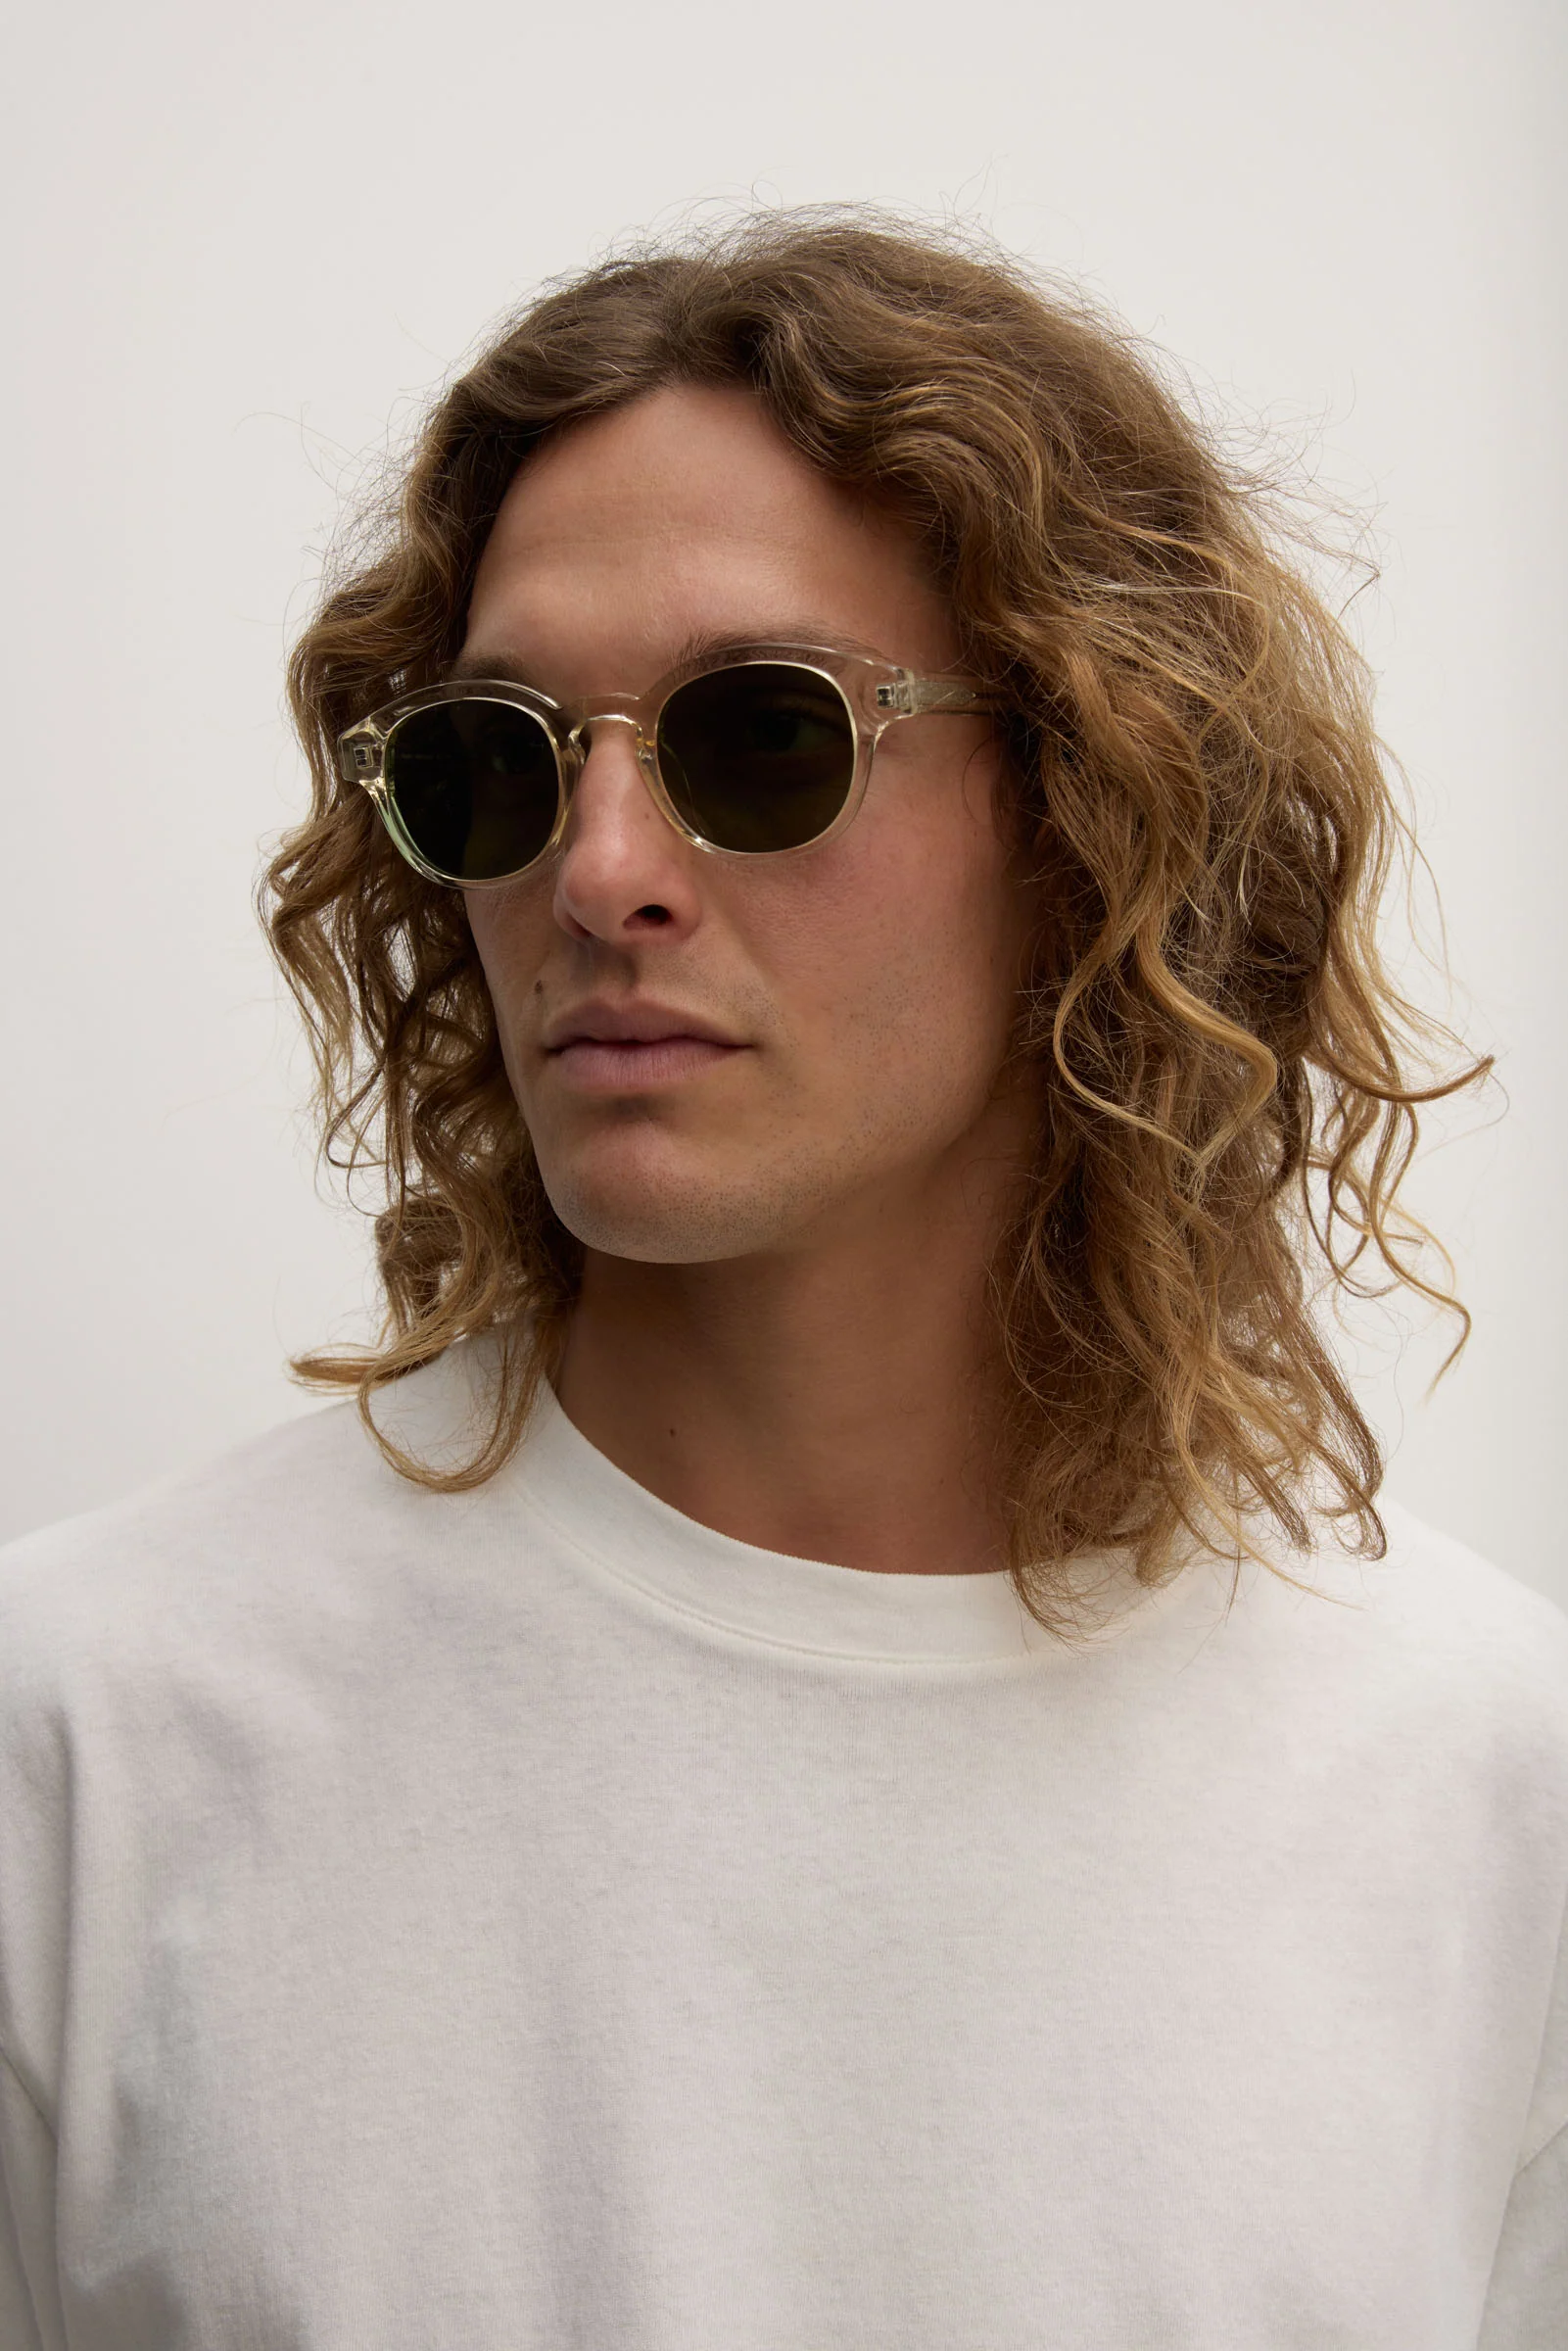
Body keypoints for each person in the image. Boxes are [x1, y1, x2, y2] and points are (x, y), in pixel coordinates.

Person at [0, 210, 1562, 2350]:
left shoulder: (1479, 1788)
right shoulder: (87, 1744)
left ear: (1090, 803)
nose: (600, 873)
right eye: (500, 759)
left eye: (760, 737)